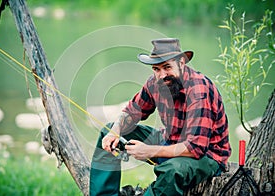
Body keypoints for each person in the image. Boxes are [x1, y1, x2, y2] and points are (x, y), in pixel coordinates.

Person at [89, 38, 231, 196]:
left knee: (173, 170)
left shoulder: (199, 90)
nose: (162, 75)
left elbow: (195, 147)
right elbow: (132, 111)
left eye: (167, 67)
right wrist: (115, 130)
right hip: (169, 141)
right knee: (108, 133)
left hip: (207, 156)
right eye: (156, 69)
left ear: (182, 63)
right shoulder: (154, 83)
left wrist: (149, 151)